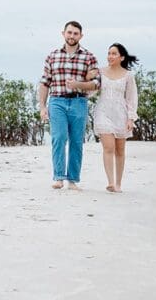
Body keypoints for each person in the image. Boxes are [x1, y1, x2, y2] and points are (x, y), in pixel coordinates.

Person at [38, 21, 99, 190]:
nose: (72, 36)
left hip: (79, 101)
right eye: (69, 32)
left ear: (81, 36)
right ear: (63, 33)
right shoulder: (52, 56)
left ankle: (72, 180)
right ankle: (58, 177)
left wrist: (78, 84)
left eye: (75, 33)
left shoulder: (89, 57)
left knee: (76, 141)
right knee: (58, 138)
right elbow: (44, 83)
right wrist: (43, 107)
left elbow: (96, 83)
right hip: (57, 100)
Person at [91, 43, 139, 193]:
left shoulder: (128, 75)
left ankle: (118, 183)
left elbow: (131, 98)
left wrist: (131, 118)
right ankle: (110, 182)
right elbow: (91, 89)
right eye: (109, 53)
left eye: (113, 54)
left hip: (121, 114)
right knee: (108, 147)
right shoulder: (100, 72)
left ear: (121, 57)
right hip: (103, 112)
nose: (110, 56)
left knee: (120, 150)